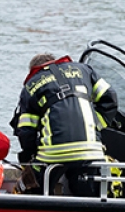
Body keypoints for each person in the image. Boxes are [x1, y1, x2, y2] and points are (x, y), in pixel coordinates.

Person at [10, 53, 118, 197]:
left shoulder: (31, 86)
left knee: (32, 188)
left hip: (51, 155)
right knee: (90, 196)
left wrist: (30, 157)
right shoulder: (85, 70)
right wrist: (95, 126)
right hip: (90, 151)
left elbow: (26, 132)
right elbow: (110, 99)